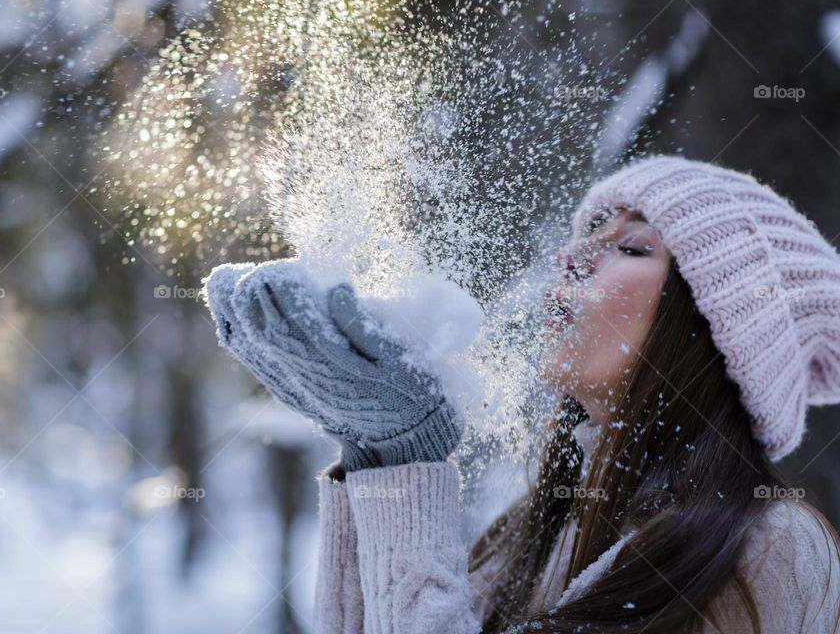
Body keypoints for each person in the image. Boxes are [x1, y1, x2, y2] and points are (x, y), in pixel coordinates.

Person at [204, 155, 840, 633]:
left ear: (713, 332)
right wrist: (373, 449)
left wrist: (405, 456)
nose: (574, 254)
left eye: (631, 245)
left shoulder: (770, 550)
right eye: (588, 228)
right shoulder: (532, 534)